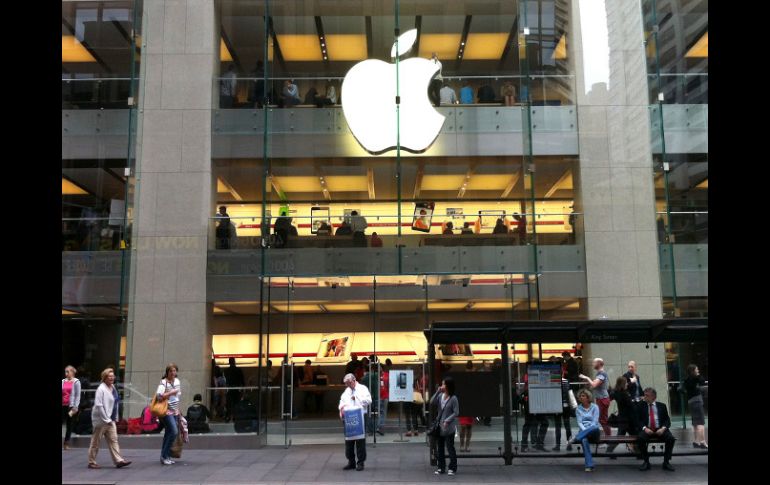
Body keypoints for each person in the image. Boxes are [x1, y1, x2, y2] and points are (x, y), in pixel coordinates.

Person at [88, 368, 131, 469]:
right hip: (101, 421)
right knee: (96, 442)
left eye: (113, 376)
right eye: (109, 376)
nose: (112, 378)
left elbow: (115, 403)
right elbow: (99, 405)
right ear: (105, 377)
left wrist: (114, 418)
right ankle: (91, 461)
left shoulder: (113, 387)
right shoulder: (101, 389)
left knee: (113, 440)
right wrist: (106, 419)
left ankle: (118, 460)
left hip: (110, 420)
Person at [636, 387, 676, 471]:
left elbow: (667, 420)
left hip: (660, 429)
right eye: (644, 395)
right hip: (647, 429)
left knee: (670, 439)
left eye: (647, 395)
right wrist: (645, 428)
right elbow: (638, 420)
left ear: (653, 397)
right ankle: (646, 462)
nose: (644, 397)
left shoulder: (662, 406)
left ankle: (666, 462)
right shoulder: (641, 406)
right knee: (640, 438)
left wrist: (663, 428)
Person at [339, 373, 372, 471]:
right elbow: (342, 401)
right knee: (349, 440)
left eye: (349, 383)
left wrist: (357, 398)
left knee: (360, 440)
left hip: (361, 415)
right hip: (349, 416)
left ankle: (360, 462)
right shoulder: (347, 391)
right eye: (346, 384)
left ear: (354, 380)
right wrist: (341, 409)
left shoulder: (362, 388)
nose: (348, 385)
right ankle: (351, 461)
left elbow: (368, 400)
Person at [431, 377, 459, 475]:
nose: (441, 386)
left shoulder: (453, 398)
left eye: (443, 384)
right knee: (440, 447)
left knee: (450, 447)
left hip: (449, 427)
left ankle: (452, 468)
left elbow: (456, 412)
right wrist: (437, 392)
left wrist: (447, 420)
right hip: (440, 426)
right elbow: (432, 402)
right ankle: (441, 467)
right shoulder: (440, 396)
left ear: (448, 386)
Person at [156, 363, 182, 465]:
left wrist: (178, 409)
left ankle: (165, 456)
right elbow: (159, 397)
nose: (173, 373)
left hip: (174, 411)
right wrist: (170, 393)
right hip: (166, 411)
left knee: (168, 433)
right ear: (167, 372)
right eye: (171, 371)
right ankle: (164, 455)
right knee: (174, 432)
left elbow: (177, 397)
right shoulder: (163, 383)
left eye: (174, 371)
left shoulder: (177, 381)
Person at [569, 389, 600, 472]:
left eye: (583, 396)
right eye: (580, 396)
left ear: (588, 397)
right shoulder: (578, 409)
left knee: (595, 427)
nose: (581, 397)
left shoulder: (595, 407)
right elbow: (579, 422)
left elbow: (595, 421)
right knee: (584, 440)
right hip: (583, 431)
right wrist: (585, 431)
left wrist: (588, 430)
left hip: (594, 431)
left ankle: (576, 438)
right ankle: (589, 465)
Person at [606, 376, 638, 455]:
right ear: (623, 384)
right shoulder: (624, 394)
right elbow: (631, 405)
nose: (627, 384)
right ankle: (639, 453)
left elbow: (610, 395)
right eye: (626, 382)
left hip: (622, 418)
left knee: (623, 436)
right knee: (634, 435)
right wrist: (636, 403)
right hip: (627, 419)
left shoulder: (616, 392)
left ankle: (609, 450)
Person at [579, 357, 610, 436]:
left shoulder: (602, 373)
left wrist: (587, 378)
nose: (592, 364)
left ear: (599, 364)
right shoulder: (599, 374)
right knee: (600, 419)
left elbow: (594, 384)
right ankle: (606, 438)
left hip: (603, 399)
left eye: (594, 363)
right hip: (600, 399)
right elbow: (593, 386)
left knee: (603, 420)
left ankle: (608, 439)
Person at [519, 376, 548, 452]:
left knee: (540, 423)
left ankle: (535, 444)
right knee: (528, 425)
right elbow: (521, 399)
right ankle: (530, 445)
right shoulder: (529, 386)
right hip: (532, 410)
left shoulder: (530, 385)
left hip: (537, 409)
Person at [684, 364, 708, 449]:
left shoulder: (687, 380)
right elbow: (702, 381)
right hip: (697, 401)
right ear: (693, 371)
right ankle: (703, 442)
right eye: (697, 369)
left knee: (695, 423)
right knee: (701, 422)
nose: (698, 371)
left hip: (690, 402)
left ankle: (696, 441)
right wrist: (698, 376)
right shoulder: (695, 378)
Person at [62, 365, 81, 450]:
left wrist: (75, 407)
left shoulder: (76, 382)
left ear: (72, 372)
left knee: (69, 424)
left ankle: (66, 443)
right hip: (62, 405)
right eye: (65, 372)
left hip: (70, 407)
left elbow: (78, 395)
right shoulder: (62, 381)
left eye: (67, 372)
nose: (66, 373)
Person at [552, 376, 573, 451]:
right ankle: (569, 445)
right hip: (566, 406)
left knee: (558, 427)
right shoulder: (567, 381)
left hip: (557, 407)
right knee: (567, 426)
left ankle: (558, 446)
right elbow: (570, 394)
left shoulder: (553, 382)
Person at [224, 357, 245, 422]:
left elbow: (226, 380)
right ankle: (235, 417)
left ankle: (228, 417)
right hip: (236, 389)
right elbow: (242, 380)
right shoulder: (238, 370)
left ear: (229, 362)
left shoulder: (226, 371)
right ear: (234, 362)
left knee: (229, 404)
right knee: (236, 403)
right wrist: (243, 388)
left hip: (229, 389)